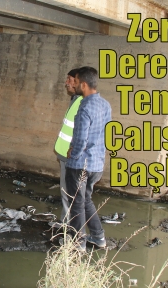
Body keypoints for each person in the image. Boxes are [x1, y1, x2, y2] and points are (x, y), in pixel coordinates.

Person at [65, 66, 111, 251]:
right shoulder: (105, 104)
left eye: (75, 82)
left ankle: (78, 244)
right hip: (96, 164)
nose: (73, 85)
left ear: (83, 85)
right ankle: (98, 238)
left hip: (80, 164)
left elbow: (81, 139)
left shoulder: (84, 106)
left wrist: (73, 154)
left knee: (76, 202)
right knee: (86, 200)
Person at [54, 69, 83, 224]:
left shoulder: (82, 103)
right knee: (67, 192)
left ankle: (68, 228)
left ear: (78, 82)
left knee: (70, 193)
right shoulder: (75, 99)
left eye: (70, 80)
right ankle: (66, 224)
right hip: (66, 154)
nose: (66, 83)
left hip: (72, 156)